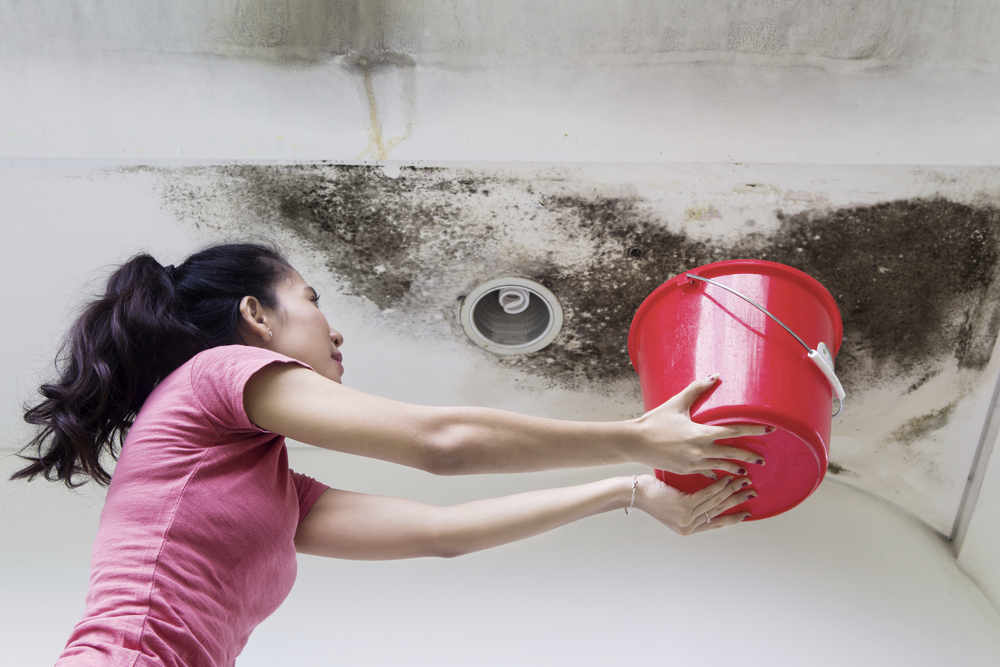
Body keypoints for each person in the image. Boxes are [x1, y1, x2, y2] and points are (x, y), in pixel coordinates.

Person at [14, 241, 766, 666]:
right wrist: (634, 432)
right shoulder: (216, 374)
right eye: (312, 299)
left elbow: (443, 534)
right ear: (255, 315)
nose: (335, 331)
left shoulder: (271, 489)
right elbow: (440, 445)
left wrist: (629, 486)